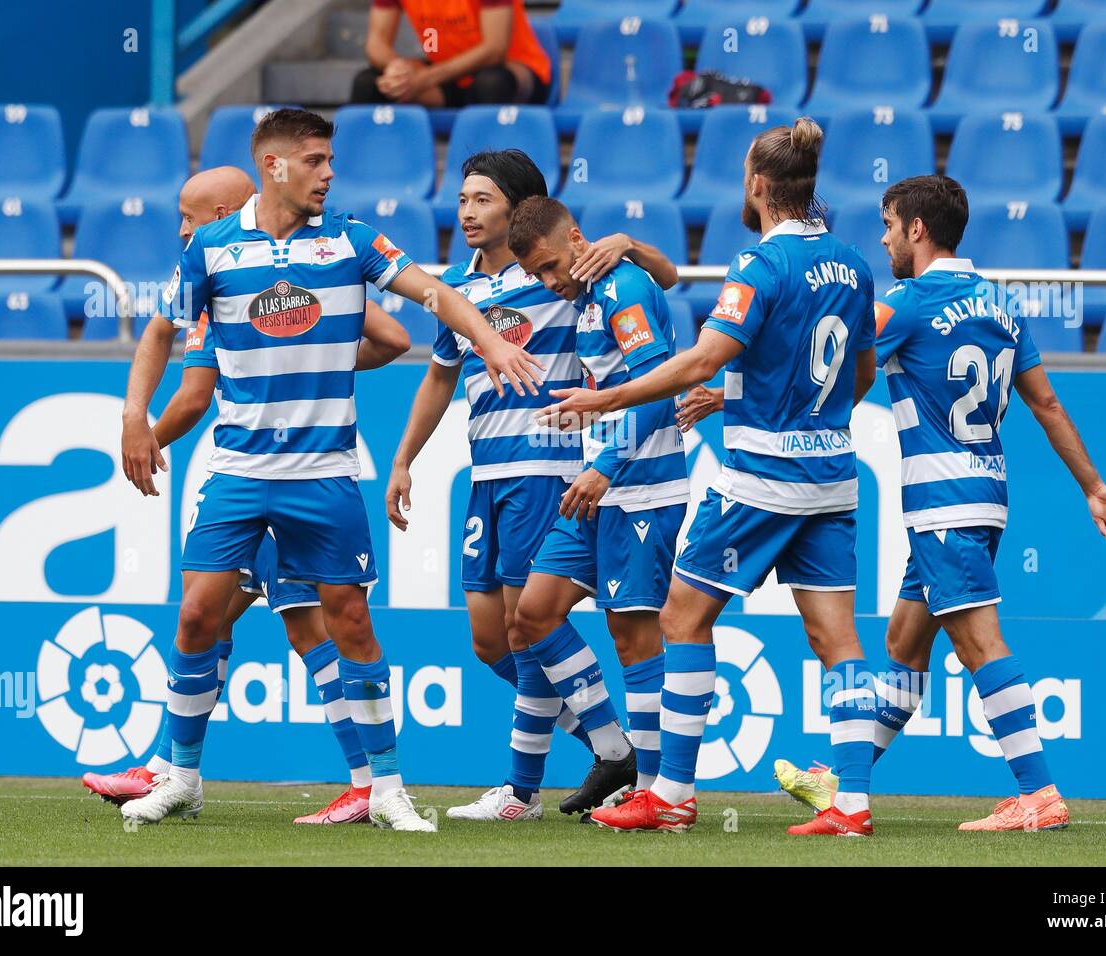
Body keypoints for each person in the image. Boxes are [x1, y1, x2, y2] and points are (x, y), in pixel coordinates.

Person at [117, 107, 543, 831]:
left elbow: (435, 294)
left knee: (349, 621)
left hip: (325, 473)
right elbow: (161, 327)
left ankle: (385, 788)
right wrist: (134, 413)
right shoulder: (214, 247)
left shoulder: (350, 241)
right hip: (238, 470)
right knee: (195, 614)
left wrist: (491, 344)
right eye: (316, 160)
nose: (329, 172)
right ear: (275, 165)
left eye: (329, 160)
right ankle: (183, 776)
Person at [537, 119, 884, 836]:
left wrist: (605, 398)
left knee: (681, 617)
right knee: (838, 640)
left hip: (759, 478)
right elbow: (859, 375)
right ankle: (851, 801)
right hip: (833, 477)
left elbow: (699, 360)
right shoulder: (853, 264)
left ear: (758, 184)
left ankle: (672, 794)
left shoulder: (759, 266)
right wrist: (742, 396)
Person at [774, 175, 1106, 832]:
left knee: (979, 644)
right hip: (985, 496)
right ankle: (845, 783)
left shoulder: (907, 302)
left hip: (943, 506)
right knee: (905, 646)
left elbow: (838, 372)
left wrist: (758, 406)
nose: (882, 238)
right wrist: (1092, 484)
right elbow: (1046, 404)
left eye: (887, 226)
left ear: (916, 229)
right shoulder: (1001, 305)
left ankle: (1039, 793)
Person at [87, 193, 412, 825]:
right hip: (266, 474)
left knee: (282, 623)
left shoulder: (236, 287)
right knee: (245, 620)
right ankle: (178, 765)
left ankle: (354, 780)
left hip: (275, 471)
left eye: (191, 214)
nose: (183, 227)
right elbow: (395, 335)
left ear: (227, 215)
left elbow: (195, 393)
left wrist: (147, 434)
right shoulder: (244, 281)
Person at [386, 149, 679, 821]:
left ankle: (525, 788)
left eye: (482, 198)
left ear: (519, 211)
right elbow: (438, 376)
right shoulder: (460, 292)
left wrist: (629, 243)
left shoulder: (560, 273)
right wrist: (404, 458)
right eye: (462, 198)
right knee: (491, 639)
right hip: (485, 471)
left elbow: (658, 283)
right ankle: (611, 746)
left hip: (547, 467)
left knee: (527, 627)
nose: (466, 210)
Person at [500, 196, 689, 819]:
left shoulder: (621, 288)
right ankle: (616, 752)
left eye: (553, 266)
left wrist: (605, 464)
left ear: (577, 237)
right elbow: (671, 279)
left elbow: (658, 389)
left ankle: (657, 791)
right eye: (538, 277)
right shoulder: (591, 292)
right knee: (533, 613)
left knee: (634, 639)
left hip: (641, 487)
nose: (550, 282)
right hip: (602, 488)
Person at [352, 0, 550, 106]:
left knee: (490, 83)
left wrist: (424, 79)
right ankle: (365, 175)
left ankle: (490, 177)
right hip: (446, 76)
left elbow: (495, 50)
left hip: (512, 70)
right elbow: (375, 44)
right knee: (368, 83)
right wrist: (399, 70)